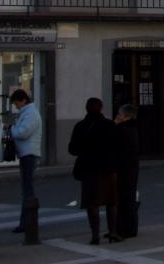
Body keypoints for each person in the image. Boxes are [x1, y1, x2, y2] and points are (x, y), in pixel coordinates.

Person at [68, 97, 120, 244]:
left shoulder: (80, 126)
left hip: (88, 169)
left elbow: (72, 149)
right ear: (101, 108)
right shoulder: (110, 125)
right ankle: (113, 232)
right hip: (108, 168)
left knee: (92, 203)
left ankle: (95, 235)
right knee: (112, 201)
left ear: (86, 109)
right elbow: (118, 145)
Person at [5, 89, 41, 234]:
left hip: (29, 154)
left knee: (27, 190)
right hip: (26, 154)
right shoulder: (27, 113)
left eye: (17, 103)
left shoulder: (30, 114)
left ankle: (27, 223)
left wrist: (12, 129)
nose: (16, 106)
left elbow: (23, 132)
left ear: (23, 100)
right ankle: (26, 222)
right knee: (26, 189)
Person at [114, 104, 140, 239]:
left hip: (125, 168)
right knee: (127, 198)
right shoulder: (132, 128)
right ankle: (127, 228)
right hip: (130, 168)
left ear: (127, 116)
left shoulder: (124, 129)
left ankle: (126, 229)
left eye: (120, 114)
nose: (117, 116)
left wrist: (116, 125)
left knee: (125, 199)